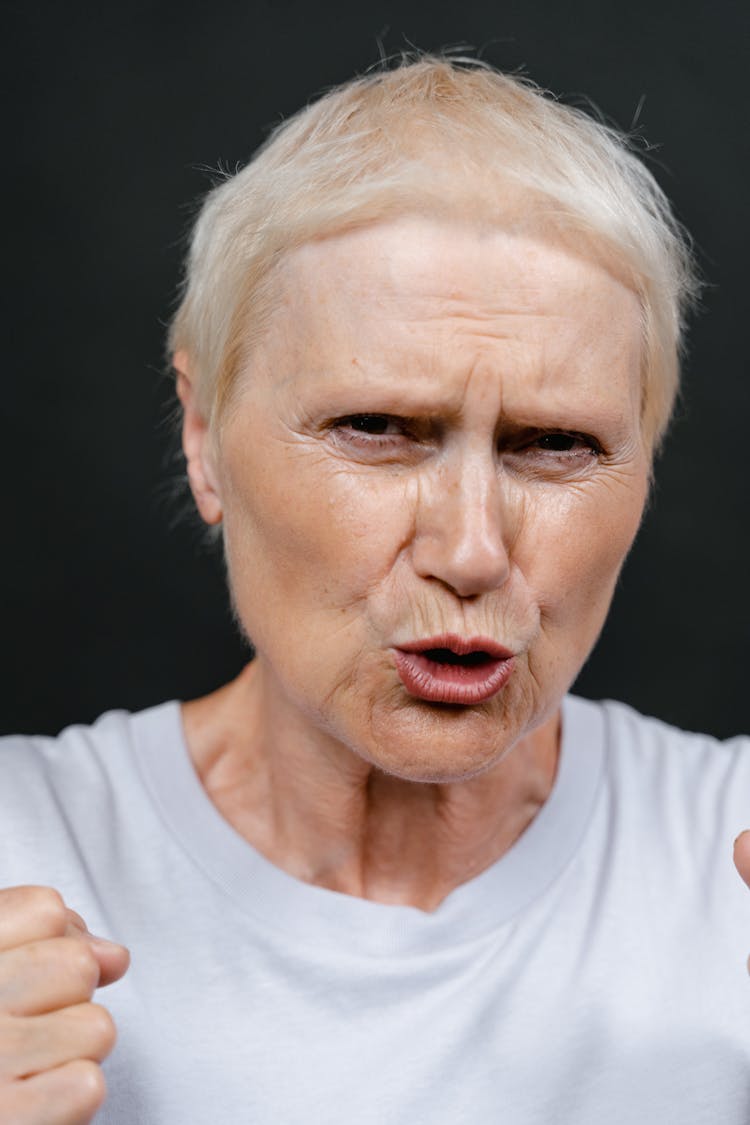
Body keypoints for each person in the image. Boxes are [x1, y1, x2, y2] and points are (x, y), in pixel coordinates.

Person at [1, 55, 748, 1125]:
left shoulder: (736, 862)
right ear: (204, 437)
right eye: (379, 430)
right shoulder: (19, 843)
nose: (473, 549)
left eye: (556, 445)